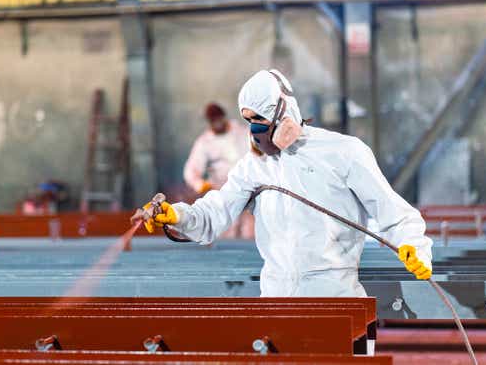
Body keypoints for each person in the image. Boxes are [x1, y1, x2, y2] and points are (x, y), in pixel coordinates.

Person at [135, 69, 433, 297]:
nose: (254, 129)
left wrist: (414, 246)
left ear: (285, 111)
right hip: (277, 301)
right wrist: (177, 215)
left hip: (334, 299)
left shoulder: (344, 152)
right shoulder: (254, 167)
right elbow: (213, 214)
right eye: (248, 119)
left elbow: (394, 213)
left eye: (259, 118)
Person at [183, 103, 253, 239]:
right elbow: (191, 170)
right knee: (227, 232)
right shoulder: (204, 142)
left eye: (219, 119)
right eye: (213, 121)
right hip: (223, 191)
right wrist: (199, 184)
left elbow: (258, 154)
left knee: (250, 231)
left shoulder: (242, 131)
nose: (217, 123)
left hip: (248, 188)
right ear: (209, 122)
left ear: (224, 117)